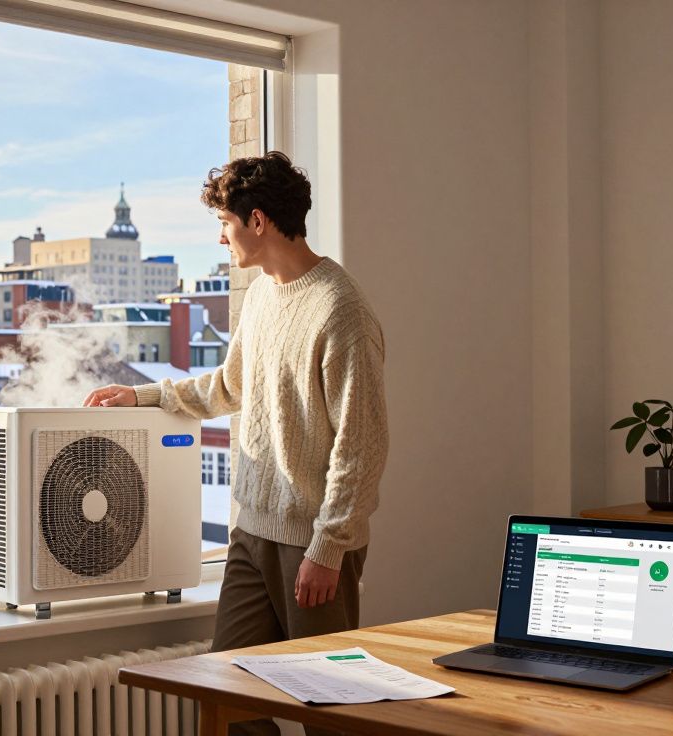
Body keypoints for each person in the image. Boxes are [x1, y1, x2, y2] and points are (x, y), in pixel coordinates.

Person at [84, 151, 388, 736]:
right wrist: (143, 397)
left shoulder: (341, 310)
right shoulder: (261, 298)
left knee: (334, 715)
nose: (222, 239)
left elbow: (363, 443)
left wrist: (329, 547)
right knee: (228, 698)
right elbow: (228, 387)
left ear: (257, 221)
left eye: (224, 224)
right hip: (252, 533)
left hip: (312, 545)